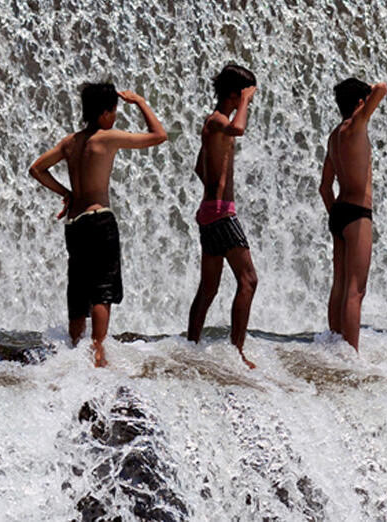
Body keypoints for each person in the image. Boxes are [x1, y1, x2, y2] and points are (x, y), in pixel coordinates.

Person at [29, 83, 167, 367]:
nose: (115, 116)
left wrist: (66, 193)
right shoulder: (107, 137)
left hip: (75, 225)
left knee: (78, 287)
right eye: (114, 111)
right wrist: (139, 101)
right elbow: (159, 135)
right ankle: (98, 350)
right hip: (100, 219)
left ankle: (74, 349)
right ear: (105, 113)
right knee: (102, 288)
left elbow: (37, 169)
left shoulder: (70, 142)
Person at [187, 64, 258, 369]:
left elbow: (198, 168)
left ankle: (191, 344)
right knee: (249, 280)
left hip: (210, 212)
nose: (251, 101)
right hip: (220, 214)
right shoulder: (217, 120)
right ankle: (237, 351)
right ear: (234, 93)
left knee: (209, 286)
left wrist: (214, 191)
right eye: (246, 94)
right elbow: (239, 129)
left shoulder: (214, 125)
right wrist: (243, 101)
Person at [319, 78, 387, 351]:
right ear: (360, 104)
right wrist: (369, 92)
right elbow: (381, 89)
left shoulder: (334, 136)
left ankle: (335, 343)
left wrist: (335, 215)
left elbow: (324, 187)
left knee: (339, 285)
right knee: (355, 290)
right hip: (358, 213)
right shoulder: (356, 127)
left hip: (339, 213)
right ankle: (351, 353)